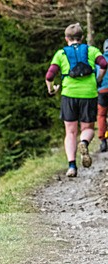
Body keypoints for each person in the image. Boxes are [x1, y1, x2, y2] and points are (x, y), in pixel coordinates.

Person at [46, 22, 107, 177]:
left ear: (66, 38)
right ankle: (84, 143)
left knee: (70, 132)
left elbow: (50, 75)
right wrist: (98, 78)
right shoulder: (92, 50)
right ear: (82, 37)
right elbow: (104, 63)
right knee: (87, 129)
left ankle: (72, 166)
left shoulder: (60, 54)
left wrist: (51, 89)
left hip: (69, 95)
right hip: (89, 94)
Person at [97, 39, 108, 152]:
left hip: (102, 91)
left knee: (101, 116)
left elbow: (96, 76)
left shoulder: (99, 61)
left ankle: (103, 141)